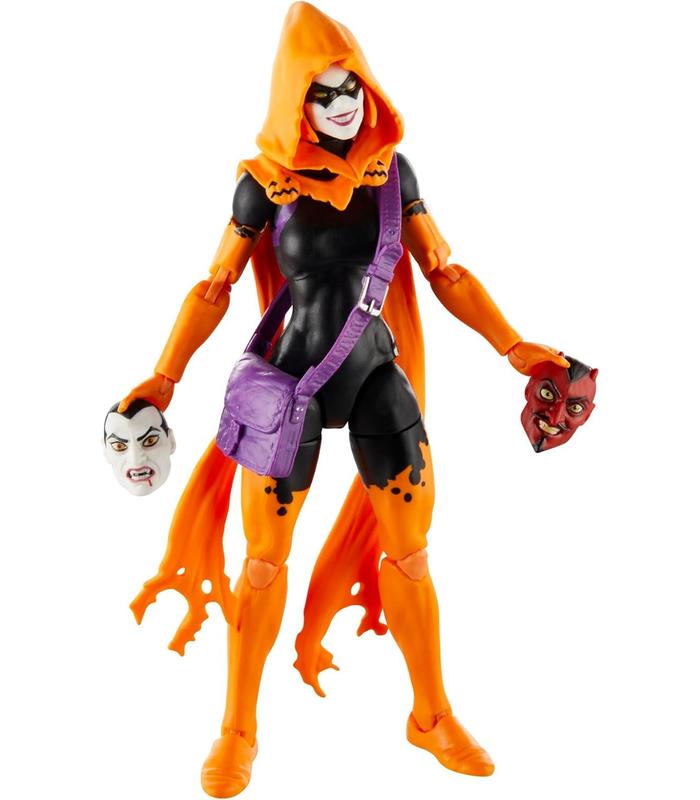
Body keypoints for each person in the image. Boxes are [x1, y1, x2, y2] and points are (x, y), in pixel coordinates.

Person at [117, 3, 568, 796]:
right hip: (287, 389)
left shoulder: (391, 175)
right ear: (295, 99)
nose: (339, 105)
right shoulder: (265, 185)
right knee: (263, 564)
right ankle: (238, 729)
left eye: (349, 88)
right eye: (320, 93)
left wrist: (514, 345)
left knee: (412, 550)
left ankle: (430, 714)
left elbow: (446, 271)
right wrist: (165, 375)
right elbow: (216, 284)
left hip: (375, 380)